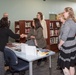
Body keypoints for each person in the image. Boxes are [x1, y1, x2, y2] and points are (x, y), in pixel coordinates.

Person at [57, 7, 76, 75]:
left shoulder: (67, 22)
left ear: (68, 13)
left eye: (64, 12)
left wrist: (59, 44)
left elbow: (64, 37)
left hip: (66, 47)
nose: (63, 13)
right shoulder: (74, 21)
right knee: (71, 65)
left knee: (64, 66)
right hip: (73, 46)